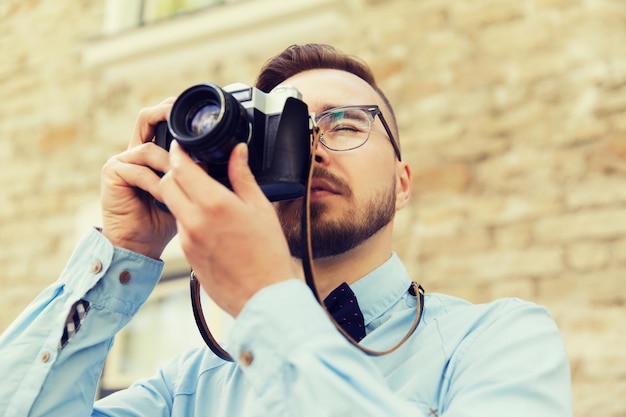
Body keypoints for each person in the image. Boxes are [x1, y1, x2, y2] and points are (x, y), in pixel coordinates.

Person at [0, 44, 572, 417]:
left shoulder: (497, 340)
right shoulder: (187, 389)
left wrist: (265, 300)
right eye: (287, 128)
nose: (313, 147)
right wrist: (122, 251)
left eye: (344, 122)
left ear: (402, 182)